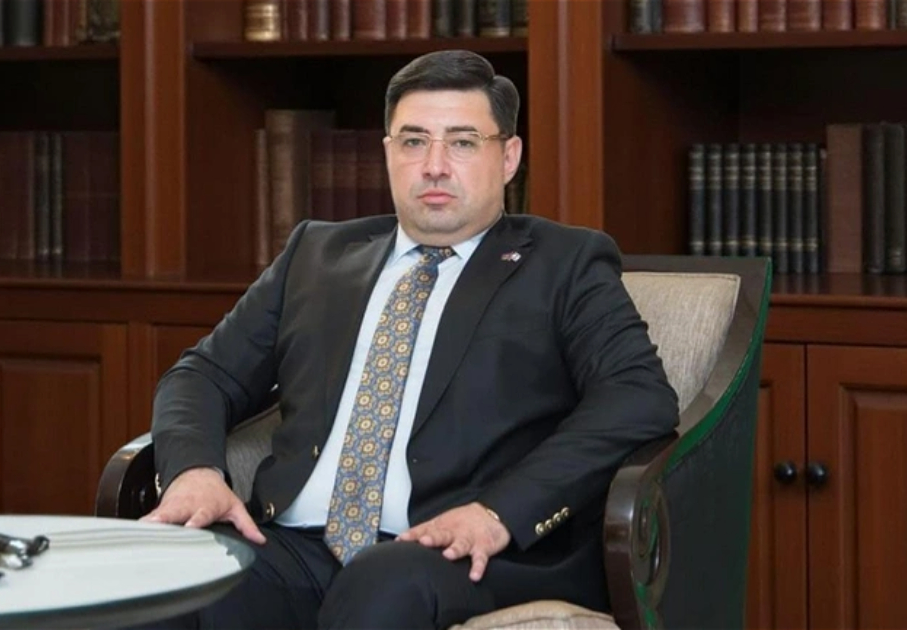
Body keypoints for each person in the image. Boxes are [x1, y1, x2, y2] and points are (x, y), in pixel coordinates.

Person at [141, 49, 679, 630]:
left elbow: (636, 396)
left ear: (509, 158)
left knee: (382, 584)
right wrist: (195, 471)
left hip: (457, 552)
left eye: (463, 142)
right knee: (168, 573)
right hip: (294, 547)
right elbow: (204, 375)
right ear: (388, 153)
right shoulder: (316, 254)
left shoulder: (564, 263)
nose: (435, 166)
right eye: (414, 141)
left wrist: (499, 512)